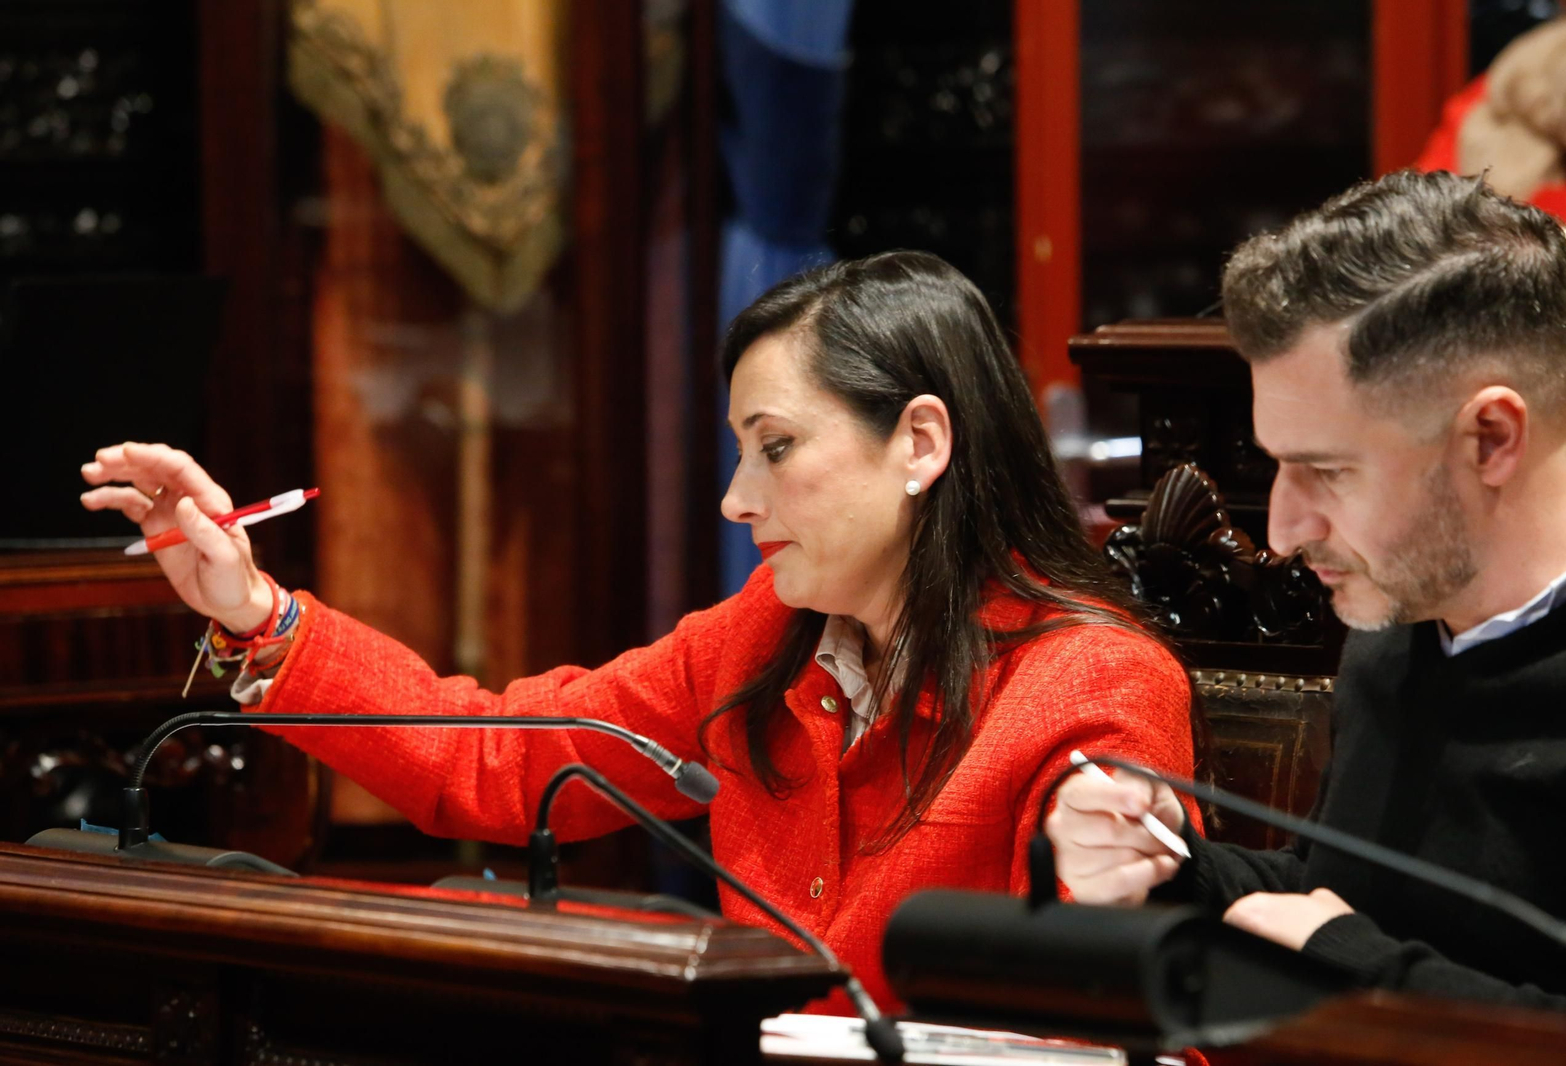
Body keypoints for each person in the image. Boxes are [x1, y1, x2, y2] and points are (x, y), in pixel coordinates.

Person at [83, 251, 1200, 1013]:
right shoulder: (768, 635)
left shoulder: (1093, 679)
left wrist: (1092, 871)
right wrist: (254, 613)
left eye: (773, 447)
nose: (734, 499)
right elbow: (498, 756)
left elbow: (1095, 1014)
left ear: (918, 442)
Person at [1047, 170, 1566, 1012]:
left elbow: (1353, 943)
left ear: (1492, 438)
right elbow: (1345, 902)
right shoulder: (1397, 625)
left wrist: (1354, 968)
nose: (1282, 530)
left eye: (1328, 470)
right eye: (1279, 464)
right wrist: (1165, 864)